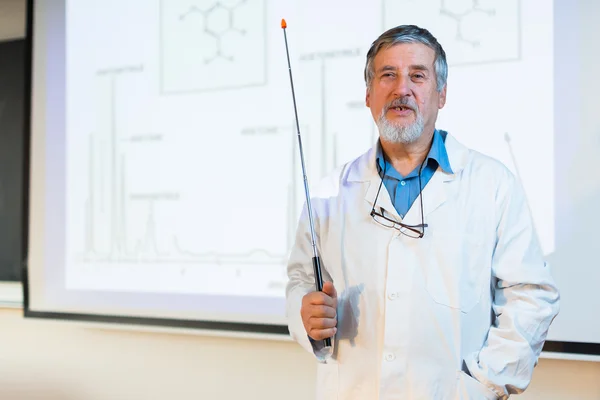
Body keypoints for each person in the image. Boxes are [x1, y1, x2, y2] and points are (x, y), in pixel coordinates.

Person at [285, 24, 560, 400]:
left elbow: (531, 295)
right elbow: (302, 279)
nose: (402, 90)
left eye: (418, 75)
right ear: (368, 94)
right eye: (388, 75)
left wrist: (482, 385)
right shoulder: (329, 194)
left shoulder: (493, 184)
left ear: (441, 93)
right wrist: (307, 317)